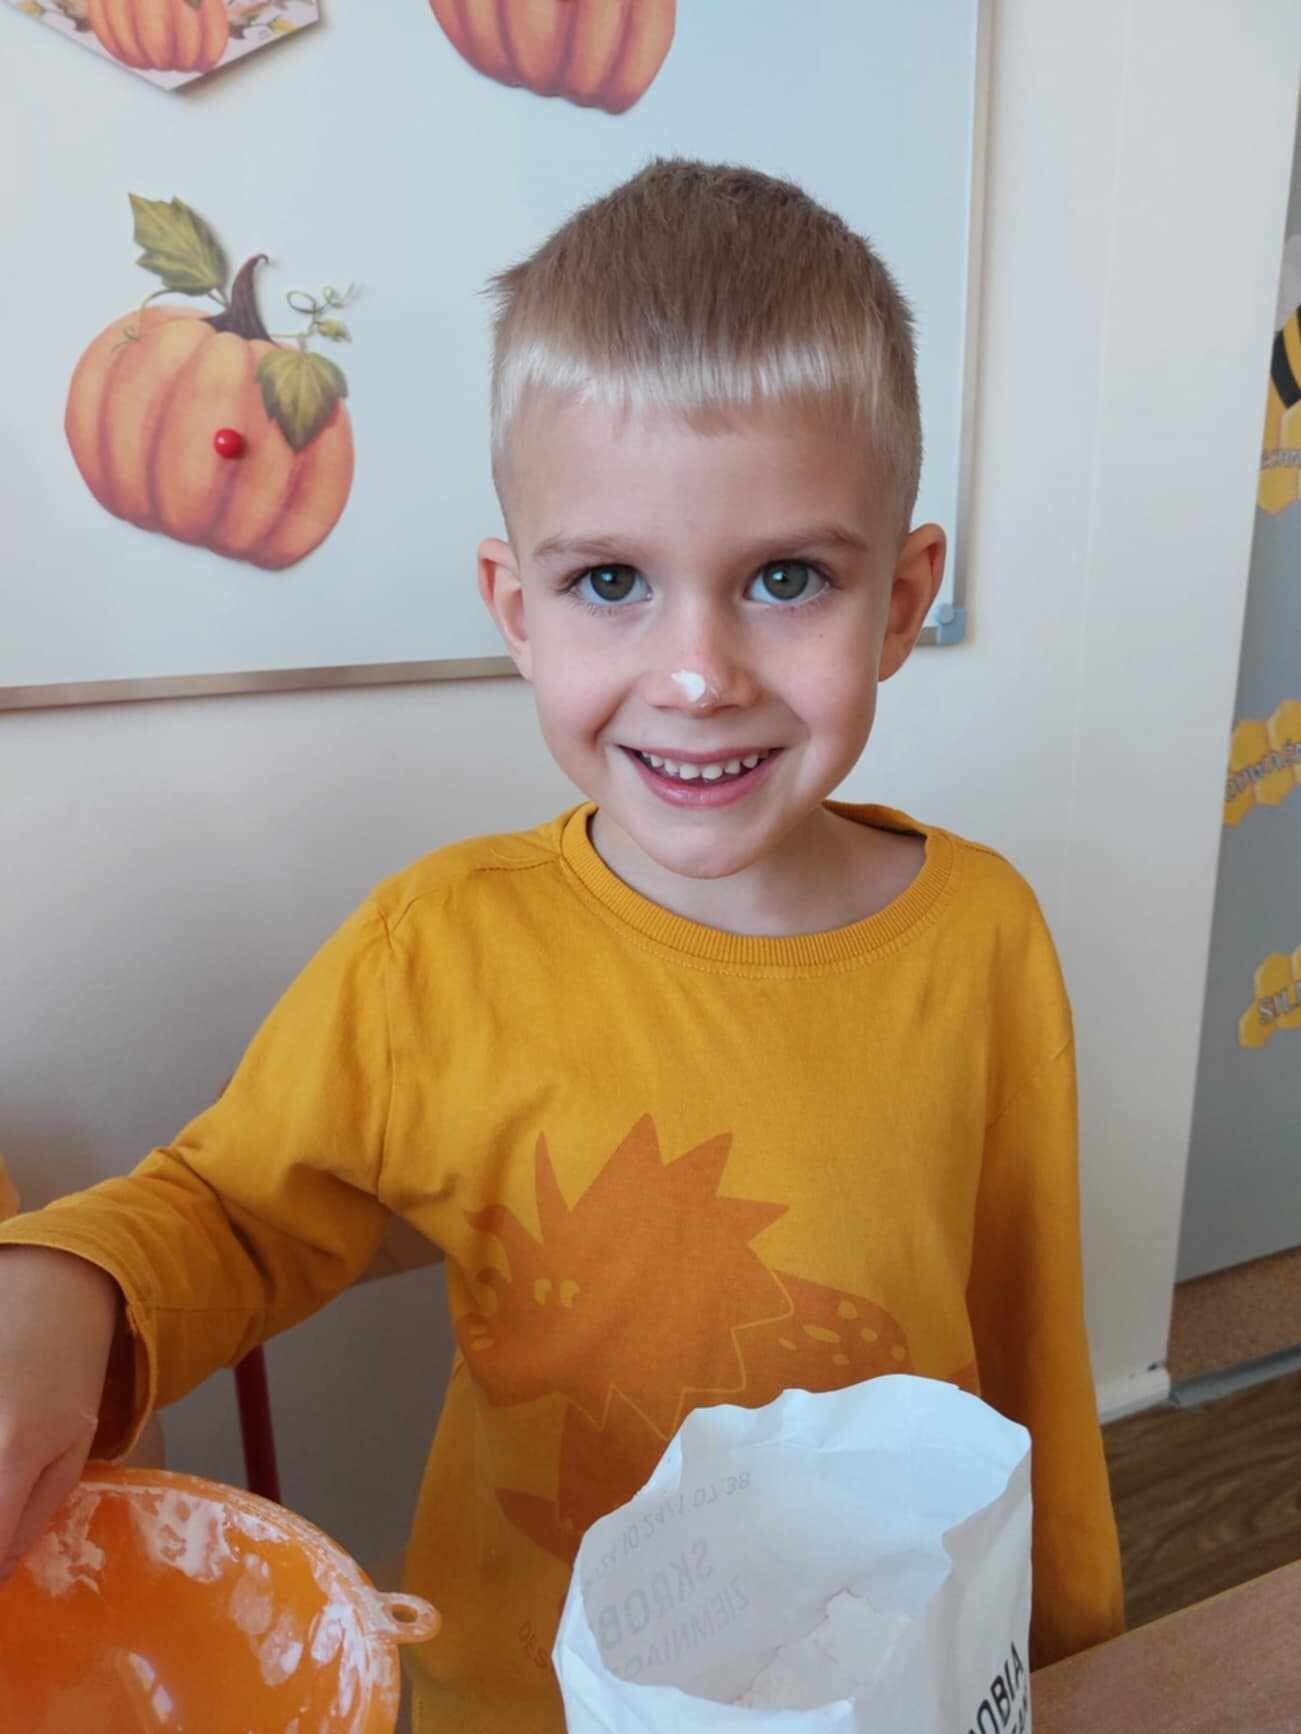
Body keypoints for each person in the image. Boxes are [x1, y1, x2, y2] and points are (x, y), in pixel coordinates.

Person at [0, 159, 1124, 1730]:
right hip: (521, 1699)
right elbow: (229, 1209)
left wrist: (1061, 1638)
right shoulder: (436, 950)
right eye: (610, 581)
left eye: (784, 578)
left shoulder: (982, 934)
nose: (696, 673)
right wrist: (64, 1288)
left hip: (887, 1688)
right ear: (516, 607)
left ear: (899, 600)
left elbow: (1024, 1339)